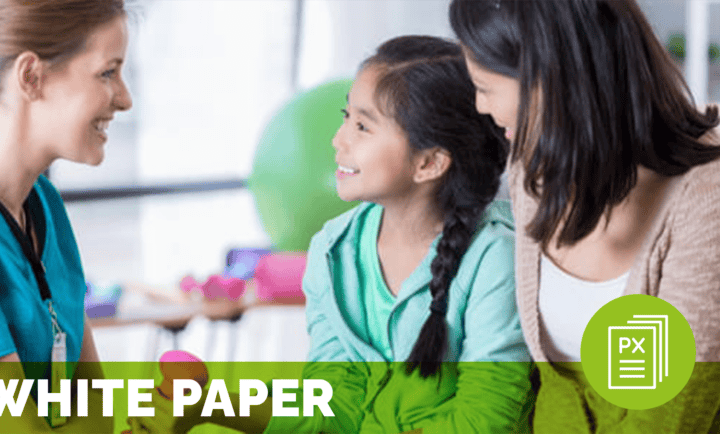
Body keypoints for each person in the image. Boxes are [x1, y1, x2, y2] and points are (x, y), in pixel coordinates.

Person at [128, 35, 534, 434]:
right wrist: (211, 403)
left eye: (362, 126)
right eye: (346, 118)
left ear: (428, 163)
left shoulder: (496, 257)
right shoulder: (333, 250)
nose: (337, 140)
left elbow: (485, 419)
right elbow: (331, 408)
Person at [450, 0, 720, 432]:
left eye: (484, 86)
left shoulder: (709, 198)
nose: (480, 106)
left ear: (548, 82)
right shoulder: (532, 170)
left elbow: (674, 415)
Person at [0, 0, 132, 432]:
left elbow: (96, 417)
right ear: (31, 76)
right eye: (107, 72)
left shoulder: (43, 202)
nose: (124, 99)